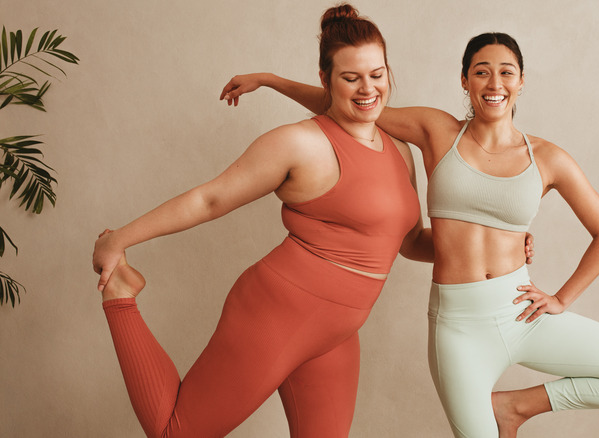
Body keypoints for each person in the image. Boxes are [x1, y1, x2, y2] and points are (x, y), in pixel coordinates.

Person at [221, 31, 599, 438]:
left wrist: (562, 298)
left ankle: (514, 406)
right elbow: (351, 105)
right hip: (458, 327)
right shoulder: (438, 131)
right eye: (481, 72)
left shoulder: (549, 158)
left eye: (506, 72)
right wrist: (270, 79)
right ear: (465, 81)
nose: (494, 83)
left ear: (521, 82)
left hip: (521, 312)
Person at [92, 5, 439, 437]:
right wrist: (118, 240)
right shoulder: (299, 143)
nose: (368, 88)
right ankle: (121, 298)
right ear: (326, 79)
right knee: (175, 433)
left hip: (337, 333)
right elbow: (210, 199)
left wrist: (499, 245)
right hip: (279, 312)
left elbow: (409, 242)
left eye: (377, 73)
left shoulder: (398, 150)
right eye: (351, 78)